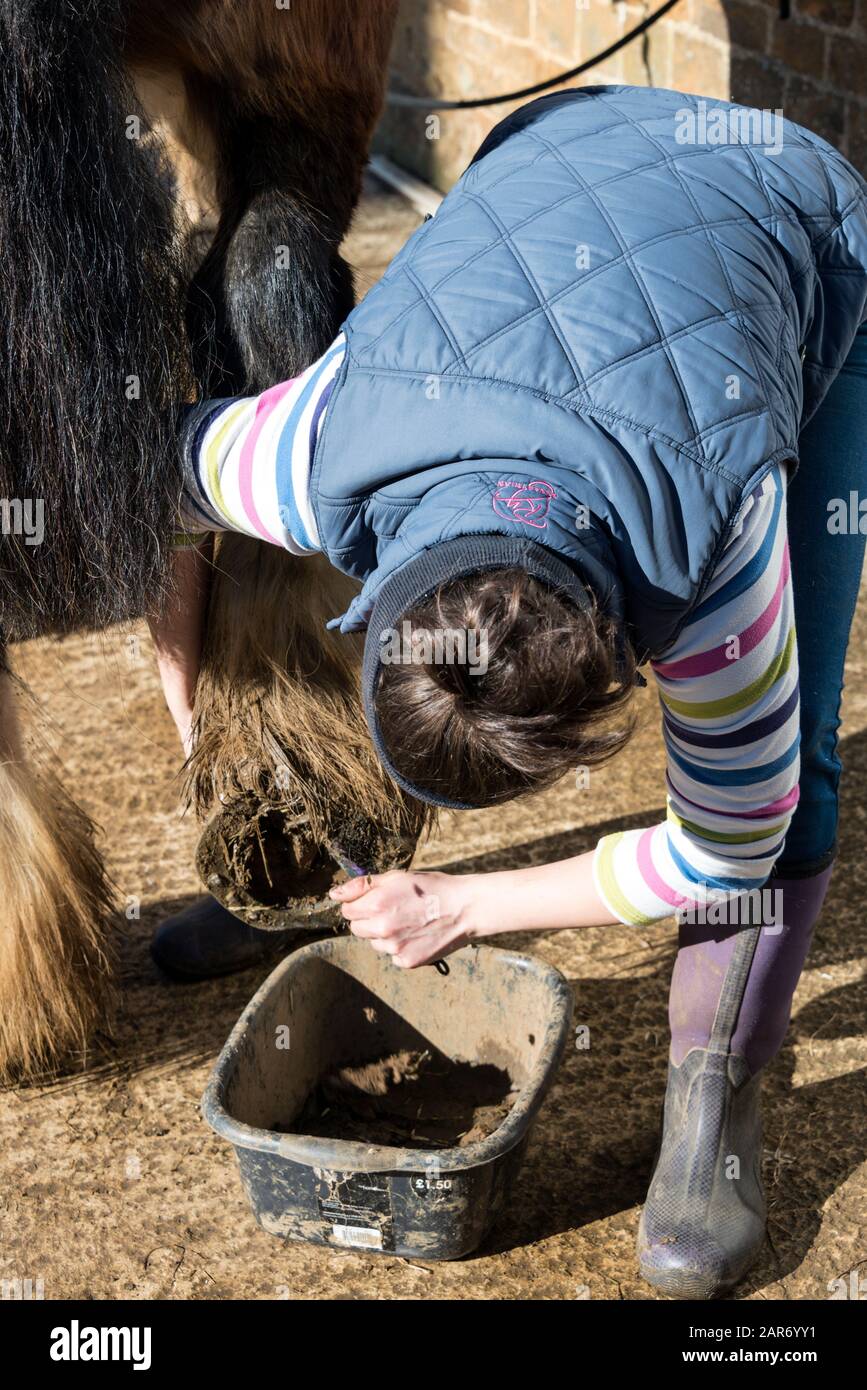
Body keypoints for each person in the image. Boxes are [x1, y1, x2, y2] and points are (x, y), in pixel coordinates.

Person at [152, 86, 867, 1297]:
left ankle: (717, 1095)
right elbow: (146, 481)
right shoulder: (320, 449)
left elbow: (725, 851)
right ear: (372, 600)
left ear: (615, 668)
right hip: (561, 148)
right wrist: (190, 704)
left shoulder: (710, 546)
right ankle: (308, 867)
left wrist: (472, 908)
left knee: (791, 774)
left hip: (786, 211)